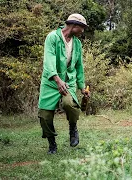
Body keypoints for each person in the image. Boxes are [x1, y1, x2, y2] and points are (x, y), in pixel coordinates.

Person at [38, 13, 90, 154]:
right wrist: (57, 79)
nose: (83, 31)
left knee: (69, 104)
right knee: (44, 115)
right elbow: (48, 60)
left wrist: (82, 87)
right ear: (74, 26)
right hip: (51, 81)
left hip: (68, 81)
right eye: (82, 28)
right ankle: (52, 143)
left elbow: (79, 66)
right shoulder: (53, 38)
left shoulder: (77, 43)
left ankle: (73, 128)